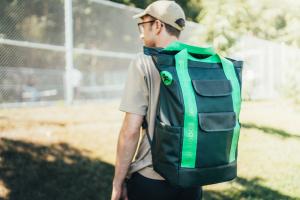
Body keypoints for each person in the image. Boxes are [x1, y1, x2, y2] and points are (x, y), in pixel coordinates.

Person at [111, 1, 202, 200]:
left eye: (143, 25)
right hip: (192, 178)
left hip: (152, 179)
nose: (140, 33)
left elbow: (131, 131)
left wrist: (118, 183)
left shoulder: (142, 62)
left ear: (158, 25)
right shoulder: (196, 63)